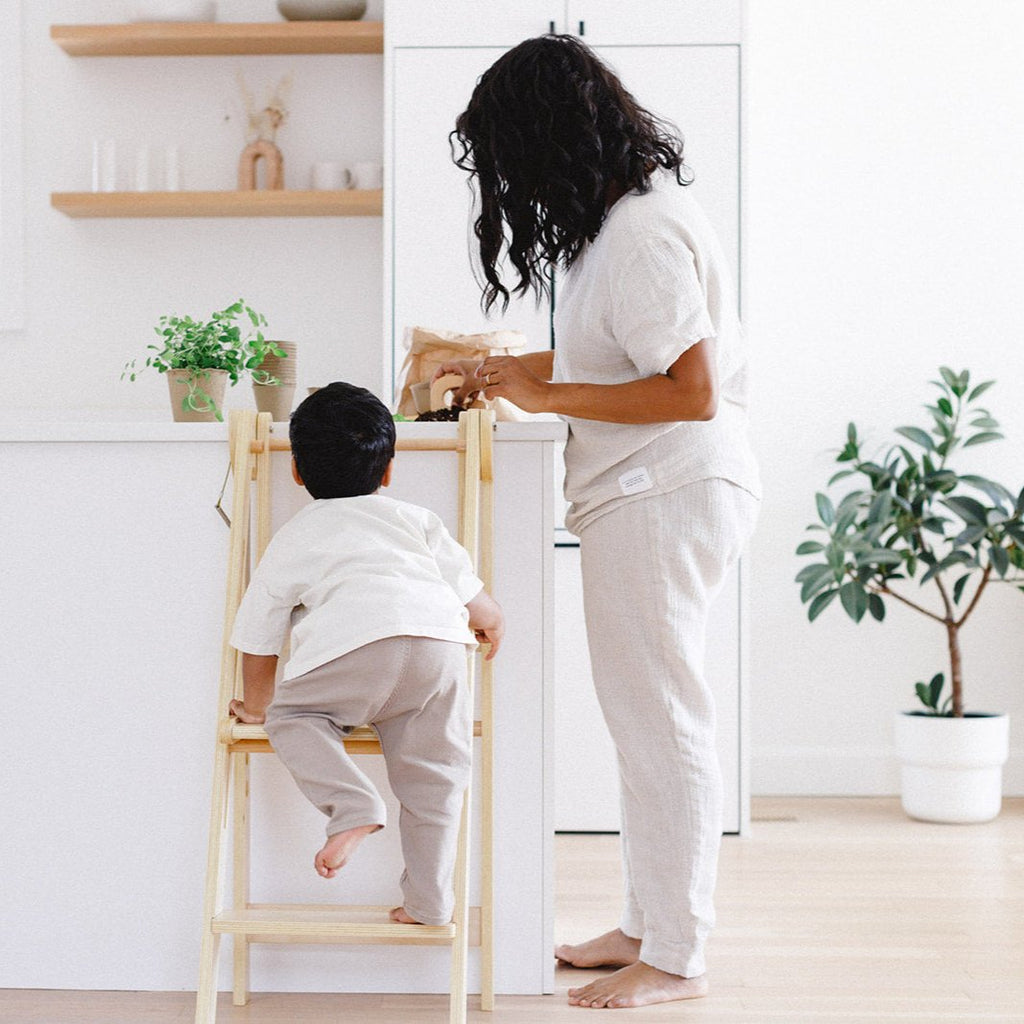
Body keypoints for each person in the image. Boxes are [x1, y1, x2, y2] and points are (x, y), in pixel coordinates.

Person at [439, 35, 761, 1009]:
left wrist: (541, 398)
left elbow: (690, 391)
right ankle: (645, 922)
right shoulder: (618, 225)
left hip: (662, 490)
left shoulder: (642, 233)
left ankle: (676, 953)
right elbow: (620, 372)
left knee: (663, 723)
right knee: (643, 724)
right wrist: (516, 375)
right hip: (643, 493)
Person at [228, 382, 504, 927]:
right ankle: (430, 902)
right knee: (435, 780)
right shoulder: (417, 520)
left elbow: (259, 636)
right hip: (438, 652)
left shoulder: (295, 535)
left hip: (351, 651)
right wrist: (492, 625)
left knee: (295, 717)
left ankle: (351, 806)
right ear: (389, 471)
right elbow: (480, 607)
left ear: (297, 472)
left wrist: (260, 707)